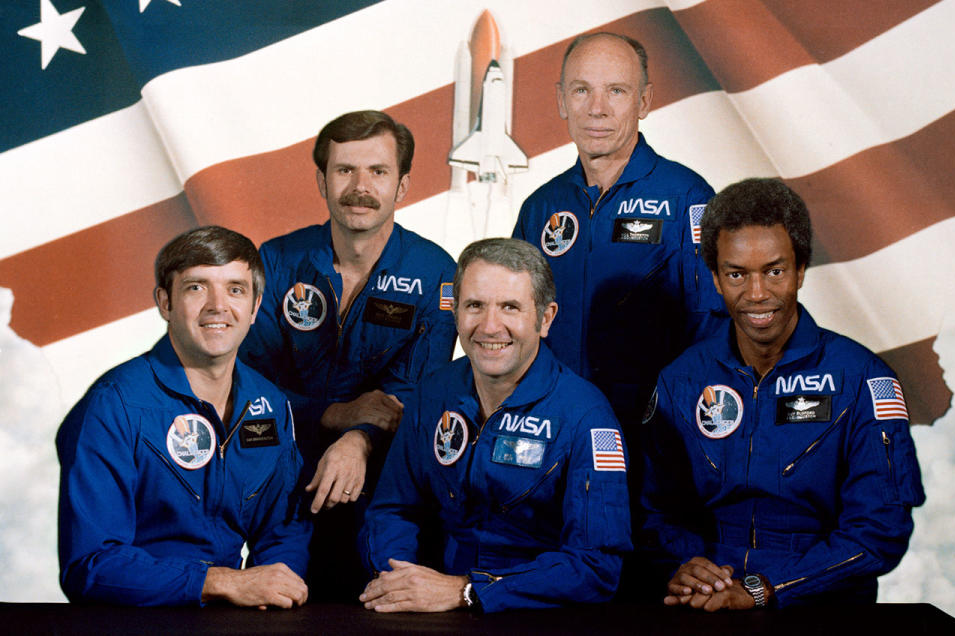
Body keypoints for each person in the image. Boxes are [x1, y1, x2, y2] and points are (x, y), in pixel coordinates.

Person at [639, 178, 925, 609]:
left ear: (801, 270)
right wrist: (686, 565)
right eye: (737, 274)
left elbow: (879, 531)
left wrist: (766, 590)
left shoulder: (863, 379)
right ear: (715, 278)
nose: (757, 295)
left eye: (774, 271)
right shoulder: (681, 379)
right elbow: (651, 512)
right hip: (709, 597)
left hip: (821, 603)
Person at [238, 110, 458, 599]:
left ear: (401, 186)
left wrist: (357, 440)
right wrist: (336, 415)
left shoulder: (435, 272)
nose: (361, 186)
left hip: (388, 486)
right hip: (285, 478)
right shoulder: (277, 261)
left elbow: (414, 393)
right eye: (345, 171)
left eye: (378, 172)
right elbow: (248, 387)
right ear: (322, 180)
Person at [358, 238, 631, 613]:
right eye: (474, 306)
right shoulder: (434, 394)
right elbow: (393, 509)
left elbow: (597, 566)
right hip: (433, 603)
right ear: (455, 313)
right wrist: (400, 580)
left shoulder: (586, 417)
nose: (489, 326)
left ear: (545, 318)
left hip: (534, 612)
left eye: (510, 307)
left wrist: (468, 591)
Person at [57, 226, 311, 607]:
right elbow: (90, 564)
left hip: (231, 618)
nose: (218, 306)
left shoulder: (268, 404)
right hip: (135, 620)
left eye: (236, 289)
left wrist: (274, 588)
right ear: (165, 302)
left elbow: (283, 530)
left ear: (256, 307)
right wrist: (219, 583)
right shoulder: (115, 406)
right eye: (196, 287)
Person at [512, 32, 726, 431]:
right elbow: (515, 324)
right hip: (556, 430)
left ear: (644, 101)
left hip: (653, 437)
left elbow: (713, 329)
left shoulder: (687, 198)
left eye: (616, 91)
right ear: (561, 100)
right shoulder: (540, 208)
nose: (597, 109)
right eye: (581, 90)